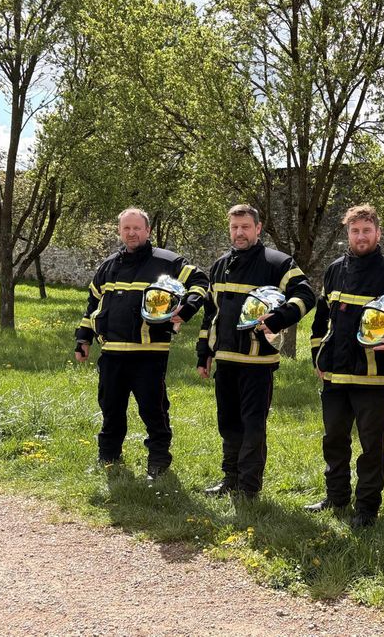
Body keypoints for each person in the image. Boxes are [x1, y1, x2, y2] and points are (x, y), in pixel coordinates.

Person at [307, 204, 384, 527]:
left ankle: (366, 508)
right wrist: (318, 356)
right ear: (347, 234)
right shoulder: (334, 270)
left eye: (366, 230)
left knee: (371, 447)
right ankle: (336, 497)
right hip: (334, 375)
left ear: (378, 233)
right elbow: (320, 319)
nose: (360, 236)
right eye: (355, 231)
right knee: (334, 440)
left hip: (372, 379)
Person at [75, 207, 208, 479]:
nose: (132, 233)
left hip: (149, 354)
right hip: (111, 354)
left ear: (147, 230)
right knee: (111, 410)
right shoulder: (108, 266)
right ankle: (109, 457)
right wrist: (83, 338)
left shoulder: (167, 261)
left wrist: (187, 309)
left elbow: (200, 281)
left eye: (137, 228)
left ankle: (158, 463)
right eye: (126, 228)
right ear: (119, 231)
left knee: (154, 412)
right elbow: (93, 305)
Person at [197, 204, 316, 500]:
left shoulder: (277, 263)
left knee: (252, 425)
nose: (239, 233)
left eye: (245, 227)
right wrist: (204, 353)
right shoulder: (220, 264)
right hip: (225, 359)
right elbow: (211, 313)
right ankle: (230, 479)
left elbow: (306, 295)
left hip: (258, 363)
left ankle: (249, 487)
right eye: (234, 227)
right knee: (228, 423)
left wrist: (278, 319)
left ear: (258, 228)